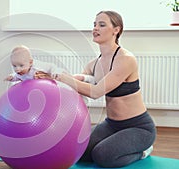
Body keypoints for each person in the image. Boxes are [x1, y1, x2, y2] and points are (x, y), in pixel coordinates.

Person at [47, 11, 156, 168]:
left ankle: (144, 151)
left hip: (138, 127)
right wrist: (48, 76)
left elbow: (96, 92)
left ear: (116, 30)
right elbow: (76, 83)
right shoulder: (94, 64)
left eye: (102, 25)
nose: (95, 28)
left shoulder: (125, 59)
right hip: (112, 124)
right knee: (80, 152)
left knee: (103, 156)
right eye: (94, 24)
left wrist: (62, 77)